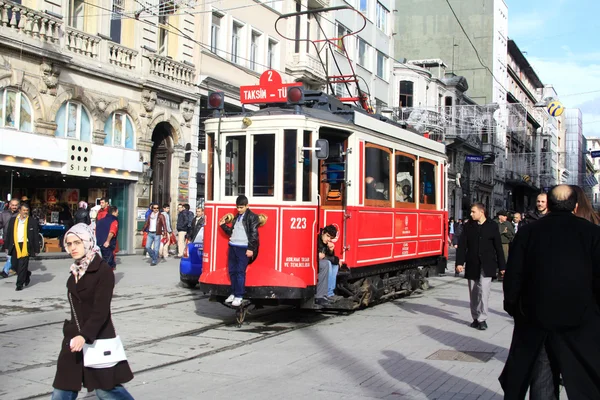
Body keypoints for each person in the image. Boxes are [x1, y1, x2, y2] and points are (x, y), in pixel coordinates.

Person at [500, 185, 600, 399]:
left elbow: (514, 275)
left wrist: (514, 307)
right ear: (575, 206)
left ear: (550, 205)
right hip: (581, 322)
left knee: (542, 381)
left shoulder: (528, 232)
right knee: (584, 381)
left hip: (538, 320)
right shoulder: (593, 233)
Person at [51, 223, 134, 399]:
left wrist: (84, 335)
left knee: (106, 390)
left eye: (77, 242)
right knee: (62, 389)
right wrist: (76, 335)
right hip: (74, 340)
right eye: (69, 244)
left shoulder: (103, 271)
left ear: (88, 241)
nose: (73, 248)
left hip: (97, 337)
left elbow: (101, 311)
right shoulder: (74, 272)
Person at [455, 203, 505, 331]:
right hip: (472, 263)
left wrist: (502, 266)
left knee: (484, 291)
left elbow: (498, 247)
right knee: (473, 292)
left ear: (481, 212)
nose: (471, 214)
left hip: (487, 264)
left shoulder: (492, 226)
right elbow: (462, 246)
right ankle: (475, 318)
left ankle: (482, 319)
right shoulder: (468, 226)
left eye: (473, 212)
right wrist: (459, 263)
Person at [218, 195, 260, 307]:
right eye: (238, 207)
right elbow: (232, 232)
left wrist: (251, 248)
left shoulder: (252, 217)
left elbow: (254, 235)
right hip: (233, 246)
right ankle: (233, 293)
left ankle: (239, 295)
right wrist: (223, 226)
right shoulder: (237, 217)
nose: (239, 209)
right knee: (232, 271)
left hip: (243, 248)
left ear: (247, 206)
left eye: (241, 207)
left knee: (240, 272)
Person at [4, 203, 39, 291]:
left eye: (27, 210)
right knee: (14, 264)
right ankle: (26, 274)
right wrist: (6, 246)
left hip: (25, 245)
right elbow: (9, 234)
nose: (25, 212)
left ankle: (19, 284)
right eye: (23, 210)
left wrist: (36, 248)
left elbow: (35, 235)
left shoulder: (32, 221)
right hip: (15, 244)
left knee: (22, 265)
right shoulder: (13, 220)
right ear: (19, 211)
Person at [317, 225, 341, 304]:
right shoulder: (316, 238)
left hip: (320, 261)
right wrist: (317, 255)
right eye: (327, 236)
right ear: (323, 232)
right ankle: (323, 294)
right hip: (312, 262)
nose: (328, 239)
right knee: (327, 263)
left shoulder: (326, 242)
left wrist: (331, 250)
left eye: (330, 238)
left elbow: (330, 257)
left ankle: (330, 293)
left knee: (334, 266)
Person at [0, 198, 19, 278]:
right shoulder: (3, 214)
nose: (14, 207)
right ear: (10, 205)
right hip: (6, 238)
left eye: (16, 205)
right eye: (13, 205)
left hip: (17, 238)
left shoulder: (20, 214)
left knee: (12, 255)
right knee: (9, 255)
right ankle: (13, 269)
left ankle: (5, 270)